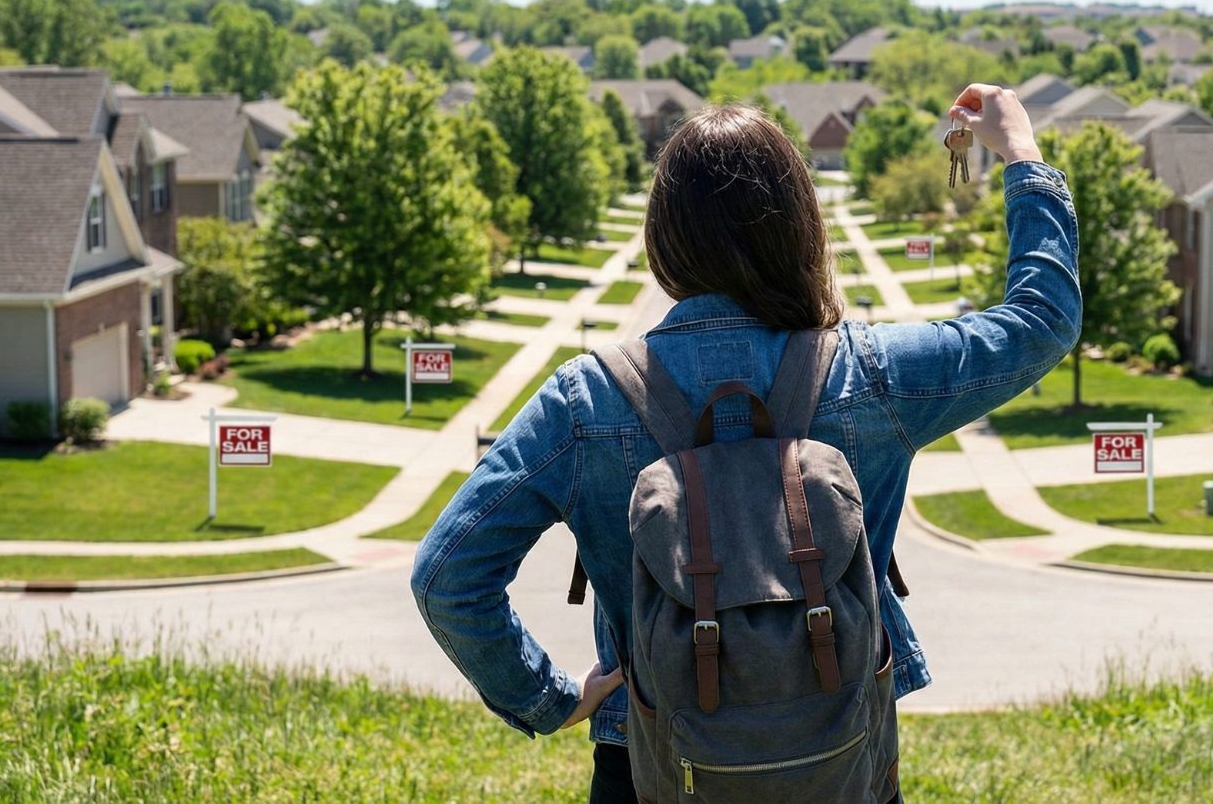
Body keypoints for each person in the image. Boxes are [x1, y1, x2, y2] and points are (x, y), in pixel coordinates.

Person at [412, 84, 1080, 802]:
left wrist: (547, 698)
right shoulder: (871, 373)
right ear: (800, 227)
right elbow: (1040, 322)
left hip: (651, 765)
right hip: (839, 759)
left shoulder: (587, 399)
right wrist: (1021, 156)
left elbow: (448, 575)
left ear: (662, 239)